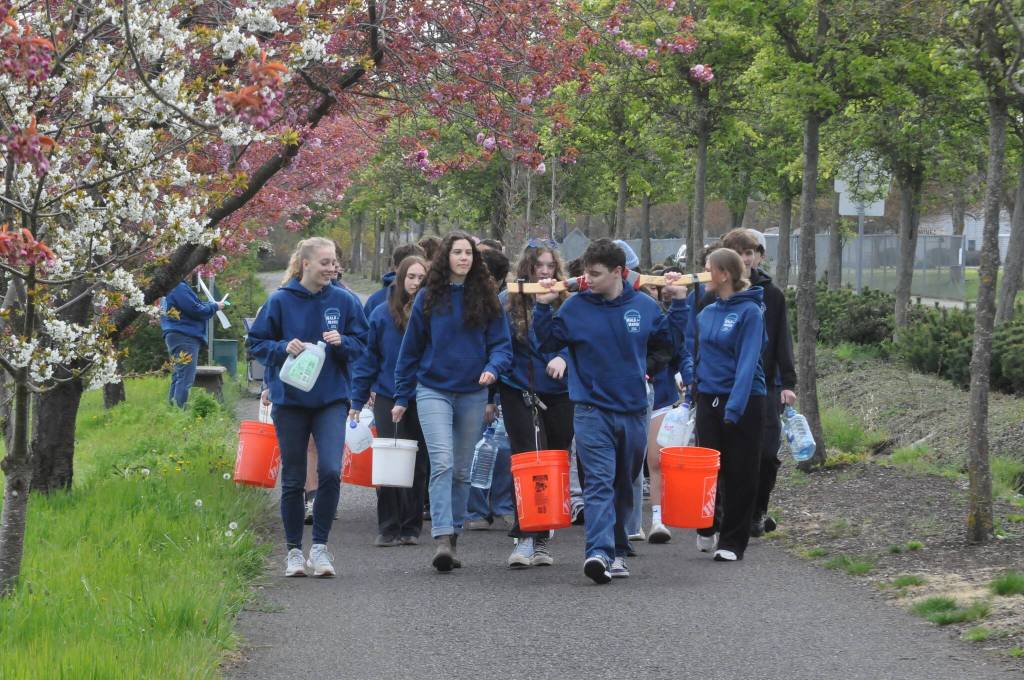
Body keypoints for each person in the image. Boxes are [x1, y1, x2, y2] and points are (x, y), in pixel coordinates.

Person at [533, 238, 689, 584]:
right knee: (599, 482)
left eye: (596, 274)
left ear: (619, 272)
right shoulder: (574, 308)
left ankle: (618, 549)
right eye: (585, 273)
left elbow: (670, 346)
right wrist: (543, 308)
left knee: (623, 482)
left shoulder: (645, 308)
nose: (587, 280)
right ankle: (598, 552)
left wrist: (679, 306)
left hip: (633, 409)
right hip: (590, 410)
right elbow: (546, 343)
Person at [247, 237, 369, 578]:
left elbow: (363, 344)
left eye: (335, 262)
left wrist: (344, 342)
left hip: (330, 398)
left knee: (330, 469)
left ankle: (319, 547)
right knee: (294, 477)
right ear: (306, 265)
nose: (333, 267)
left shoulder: (345, 301)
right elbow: (256, 343)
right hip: (290, 401)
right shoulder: (280, 301)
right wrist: (284, 347)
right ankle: (293, 552)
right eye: (326, 262)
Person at [394, 231, 513, 572]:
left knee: (462, 470)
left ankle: (454, 532)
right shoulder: (429, 297)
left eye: (469, 254)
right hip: (433, 389)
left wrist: (492, 370)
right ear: (446, 257)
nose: (464, 258)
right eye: (457, 252)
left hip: (473, 391)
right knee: (443, 462)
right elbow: (410, 350)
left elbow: (502, 346)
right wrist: (402, 395)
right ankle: (442, 538)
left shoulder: (487, 297)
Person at [500, 242, 574, 568]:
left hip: (559, 392)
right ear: (527, 269)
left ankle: (542, 538)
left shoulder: (570, 303)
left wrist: (564, 356)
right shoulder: (507, 302)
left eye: (550, 266)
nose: (545, 272)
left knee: (555, 461)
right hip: (519, 389)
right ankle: (526, 536)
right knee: (529, 460)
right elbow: (498, 348)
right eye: (538, 266)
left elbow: (584, 341)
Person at [350, 256, 431, 547]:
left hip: (424, 394)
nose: (415, 282)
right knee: (389, 459)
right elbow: (367, 360)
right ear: (400, 279)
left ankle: (411, 525)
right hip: (387, 393)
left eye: (422, 277)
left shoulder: (433, 315)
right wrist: (357, 400)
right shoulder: (381, 315)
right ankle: (388, 525)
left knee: (419, 462)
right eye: (411, 276)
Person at [692, 248, 767, 563]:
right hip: (708, 399)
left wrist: (734, 409)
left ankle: (733, 541)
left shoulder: (751, 312)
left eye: (708, 268)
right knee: (706, 471)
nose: (703, 272)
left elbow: (748, 364)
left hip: (745, 401)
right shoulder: (706, 312)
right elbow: (694, 352)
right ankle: (708, 523)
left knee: (740, 472)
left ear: (724, 274)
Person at [727, 229, 797, 536]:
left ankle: (758, 511)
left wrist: (788, 382)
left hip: (765, 385)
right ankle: (727, 513)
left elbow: (783, 339)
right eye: (739, 252)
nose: (746, 258)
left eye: (751, 252)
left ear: (760, 256)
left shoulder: (773, 295)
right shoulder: (717, 291)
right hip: (725, 384)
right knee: (730, 454)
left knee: (767, 454)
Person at [467, 248, 516, 531]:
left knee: (502, 450)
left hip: (500, 385)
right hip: (475, 387)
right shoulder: (468, 302)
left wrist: (493, 396)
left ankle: (503, 505)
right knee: (477, 449)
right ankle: (474, 509)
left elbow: (503, 350)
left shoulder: (505, 304)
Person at [160, 279, 225, 408]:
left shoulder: (171, 285)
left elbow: (195, 304)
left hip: (176, 335)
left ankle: (172, 411)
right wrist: (215, 307)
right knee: (185, 378)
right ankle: (179, 413)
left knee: (178, 376)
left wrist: (211, 305)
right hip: (184, 336)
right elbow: (196, 310)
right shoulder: (178, 287)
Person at [364, 243, 426, 317]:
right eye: (411, 275)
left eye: (420, 276)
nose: (416, 282)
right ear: (396, 268)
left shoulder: (432, 302)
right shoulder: (376, 302)